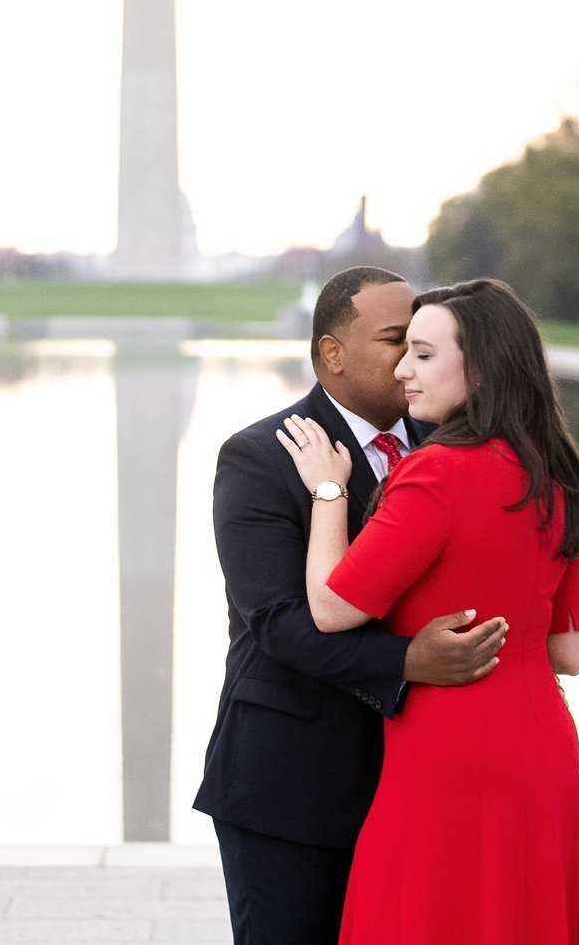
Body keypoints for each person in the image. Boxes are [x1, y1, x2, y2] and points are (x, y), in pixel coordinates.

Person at [277, 276, 579, 945]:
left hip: (447, 758)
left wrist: (328, 490)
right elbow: (570, 653)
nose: (403, 369)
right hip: (542, 752)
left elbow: (331, 605)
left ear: (481, 366)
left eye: (424, 353)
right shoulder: (558, 469)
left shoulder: (436, 473)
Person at [195, 265, 510, 945]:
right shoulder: (258, 457)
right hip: (290, 782)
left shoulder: (445, 449)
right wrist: (410, 660)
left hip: (413, 783)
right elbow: (279, 624)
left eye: (423, 342)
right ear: (332, 353)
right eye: (396, 339)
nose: (410, 360)